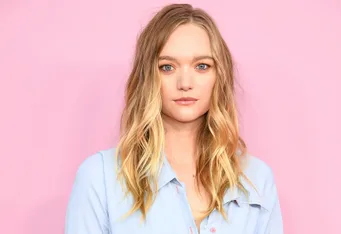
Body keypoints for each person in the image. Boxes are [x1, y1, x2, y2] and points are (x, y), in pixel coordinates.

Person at [64, 3, 283, 234]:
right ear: (148, 76)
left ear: (220, 75)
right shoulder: (100, 178)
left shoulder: (256, 179)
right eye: (167, 67)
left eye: (202, 66)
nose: (185, 83)